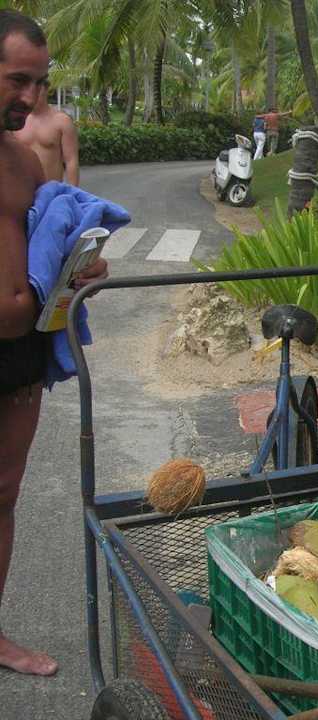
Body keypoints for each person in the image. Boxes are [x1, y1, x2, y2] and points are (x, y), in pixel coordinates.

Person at [0, 10, 108, 676]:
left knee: (4, 494)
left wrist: (84, 268)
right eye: (17, 80)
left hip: (19, 353)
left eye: (39, 83)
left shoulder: (21, 161)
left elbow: (54, 247)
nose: (32, 100)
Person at [12, 78, 79, 185]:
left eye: (38, 89)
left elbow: (71, 161)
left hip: (51, 192)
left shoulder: (62, 121)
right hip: (23, 191)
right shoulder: (17, 120)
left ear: (47, 89)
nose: (32, 94)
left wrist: (73, 194)